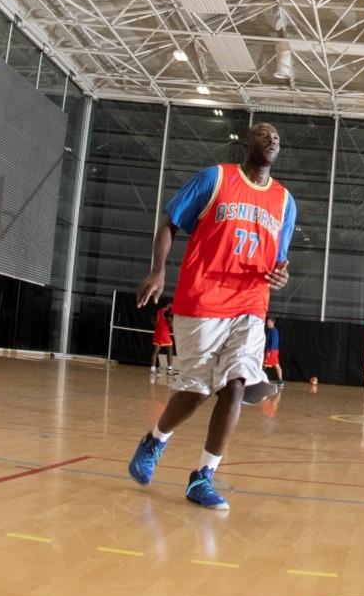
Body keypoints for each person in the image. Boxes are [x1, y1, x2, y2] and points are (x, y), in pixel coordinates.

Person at [126, 123, 296, 511]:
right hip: (202, 298)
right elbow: (170, 223)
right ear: (245, 142)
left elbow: (279, 258)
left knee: (236, 383)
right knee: (197, 391)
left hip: (251, 301)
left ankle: (203, 477)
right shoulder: (215, 179)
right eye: (264, 134)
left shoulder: (285, 201)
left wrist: (282, 274)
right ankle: (156, 439)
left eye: (277, 137)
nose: (273, 139)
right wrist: (158, 269)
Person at [150, 301, 175, 377]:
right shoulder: (168, 312)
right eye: (171, 304)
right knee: (170, 350)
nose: (172, 305)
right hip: (164, 333)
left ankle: (153, 369)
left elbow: (155, 322)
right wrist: (172, 321)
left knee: (155, 351)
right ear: (168, 304)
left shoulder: (159, 310)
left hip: (157, 332)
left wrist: (153, 322)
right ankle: (169, 370)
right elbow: (170, 324)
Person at [262, 316, 283, 387]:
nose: (267, 323)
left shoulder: (273, 331)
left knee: (264, 365)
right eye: (267, 322)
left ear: (273, 322)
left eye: (269, 322)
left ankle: (261, 380)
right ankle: (280, 381)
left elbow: (273, 342)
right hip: (272, 350)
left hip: (272, 351)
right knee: (276, 365)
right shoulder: (271, 331)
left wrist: (269, 352)